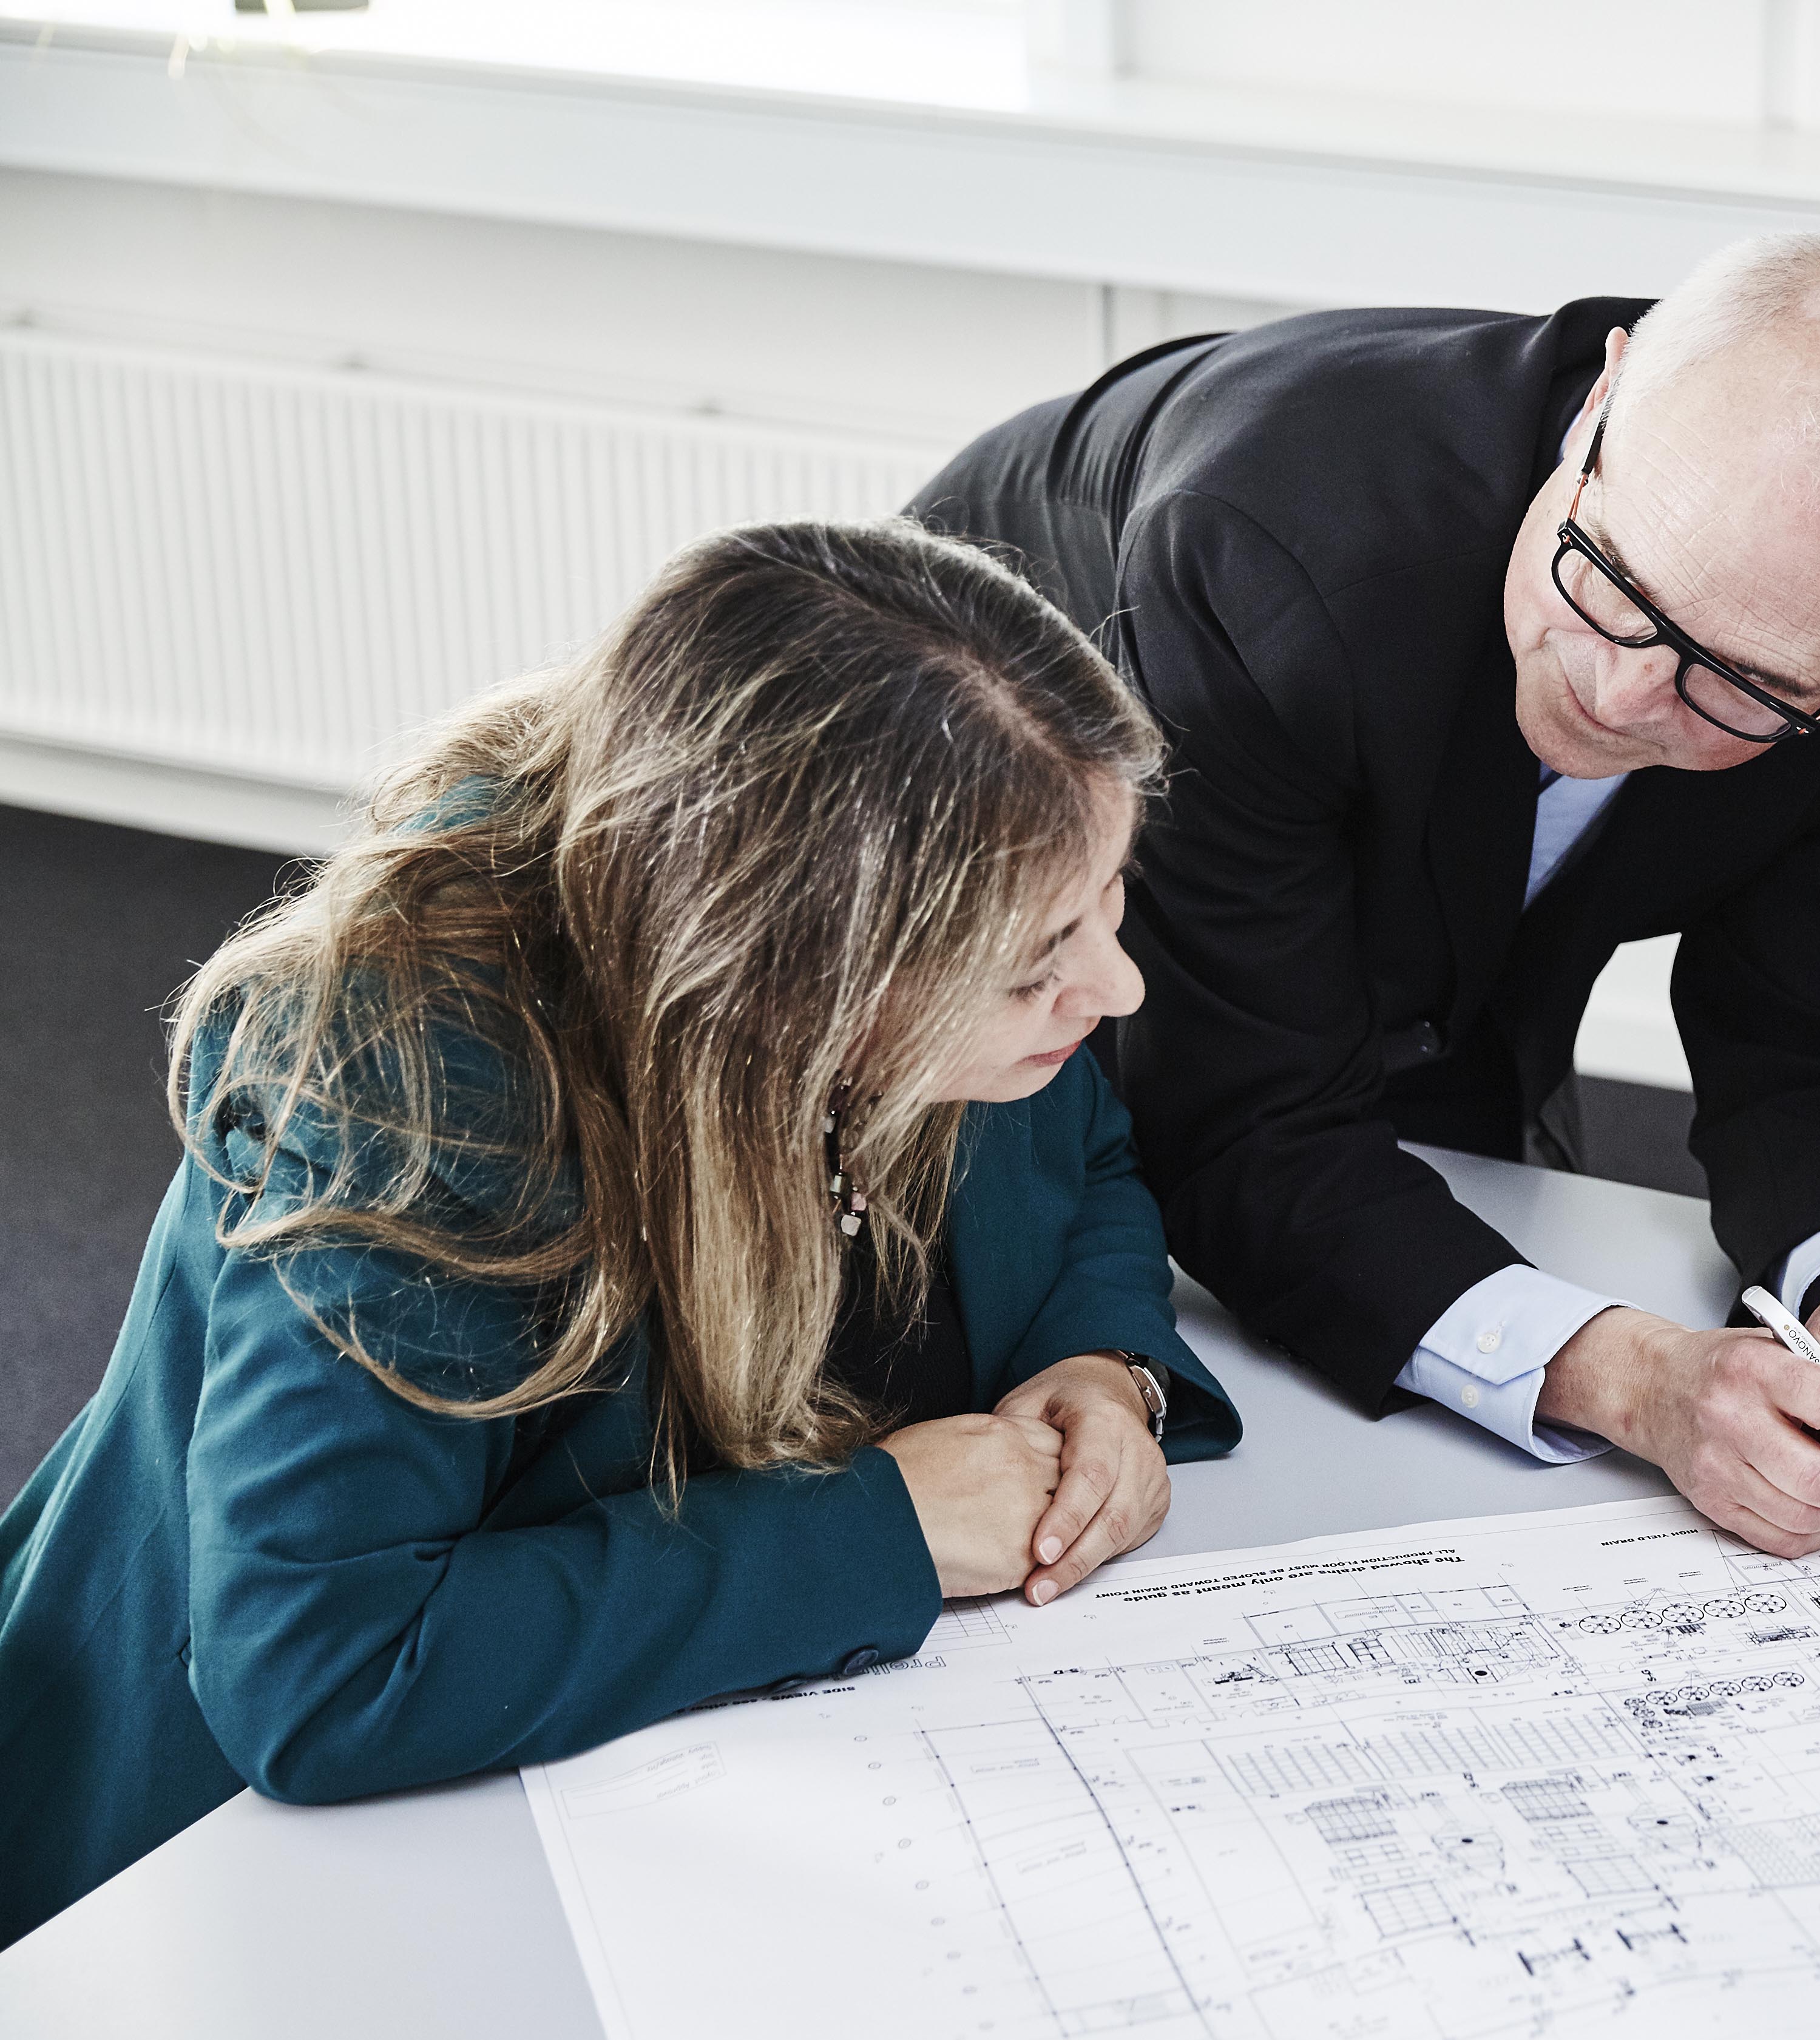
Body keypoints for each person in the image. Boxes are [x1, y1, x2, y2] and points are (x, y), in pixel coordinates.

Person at [0, 519, 1240, 1948]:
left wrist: (1103, 1371)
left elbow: (1083, 1159)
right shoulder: (412, 1086)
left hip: (684, 1807)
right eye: (1041, 968)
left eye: (1112, 905)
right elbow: (319, 1666)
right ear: (789, 976)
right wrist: (881, 1531)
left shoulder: (954, 948)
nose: (1120, 989)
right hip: (220, 1902)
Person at [910, 234, 1820, 1559]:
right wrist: (1634, 1381)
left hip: (1442, 929)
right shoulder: (1276, 538)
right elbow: (1240, 1119)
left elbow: (1809, 1026)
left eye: (1739, 686)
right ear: (1601, 405)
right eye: (1610, 582)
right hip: (959, 928)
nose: (1612, 699)